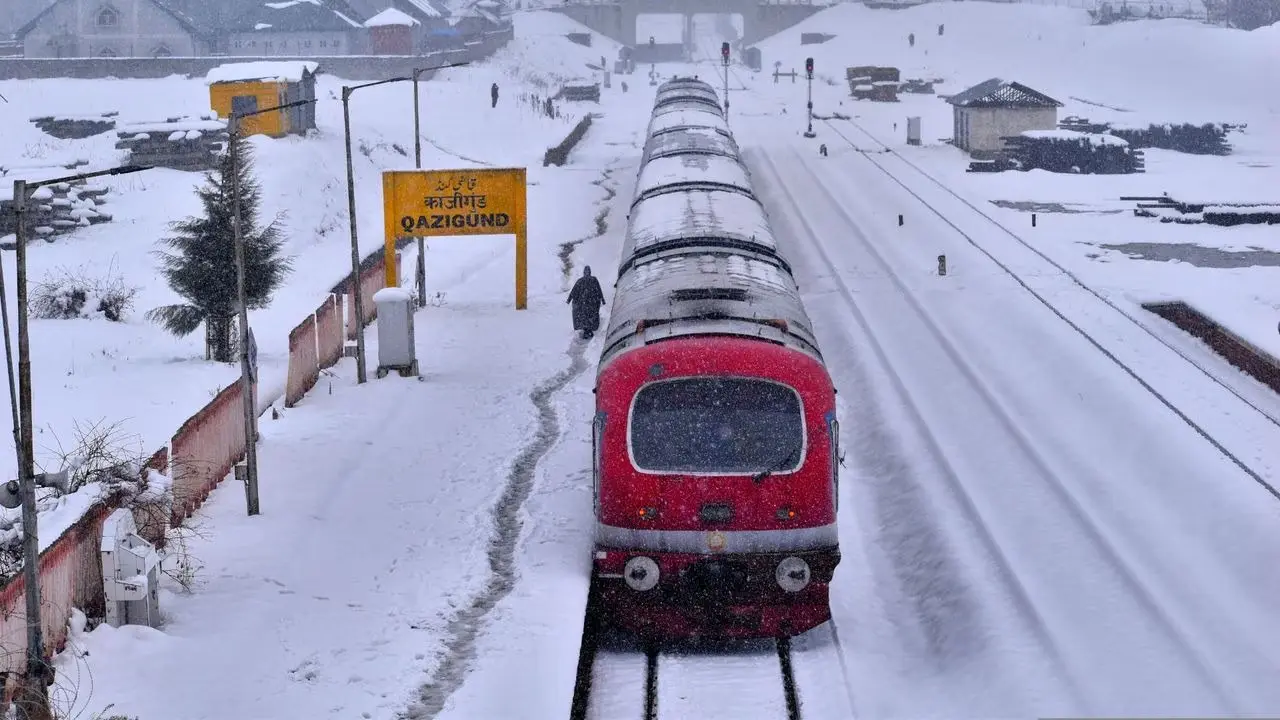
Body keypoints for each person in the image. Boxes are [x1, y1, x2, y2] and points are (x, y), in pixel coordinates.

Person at [567, 266, 606, 340]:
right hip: (592, 303)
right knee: (590, 317)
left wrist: (569, 300)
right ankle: (589, 331)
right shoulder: (594, 279)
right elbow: (599, 290)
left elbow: (573, 292)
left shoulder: (580, 281)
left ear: (584, 272)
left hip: (584, 304)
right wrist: (602, 299)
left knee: (585, 318)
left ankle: (586, 331)